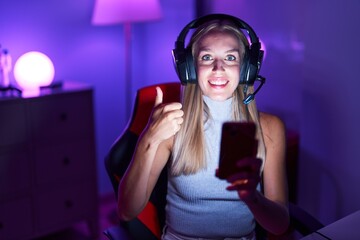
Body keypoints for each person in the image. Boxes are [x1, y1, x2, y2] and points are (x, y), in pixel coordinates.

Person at [117, 14, 290, 240]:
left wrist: (252, 198)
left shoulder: (269, 128)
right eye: (207, 57)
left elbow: (279, 225)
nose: (218, 68)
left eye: (230, 58)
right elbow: (127, 211)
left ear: (247, 68)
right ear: (189, 67)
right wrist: (149, 140)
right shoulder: (173, 125)